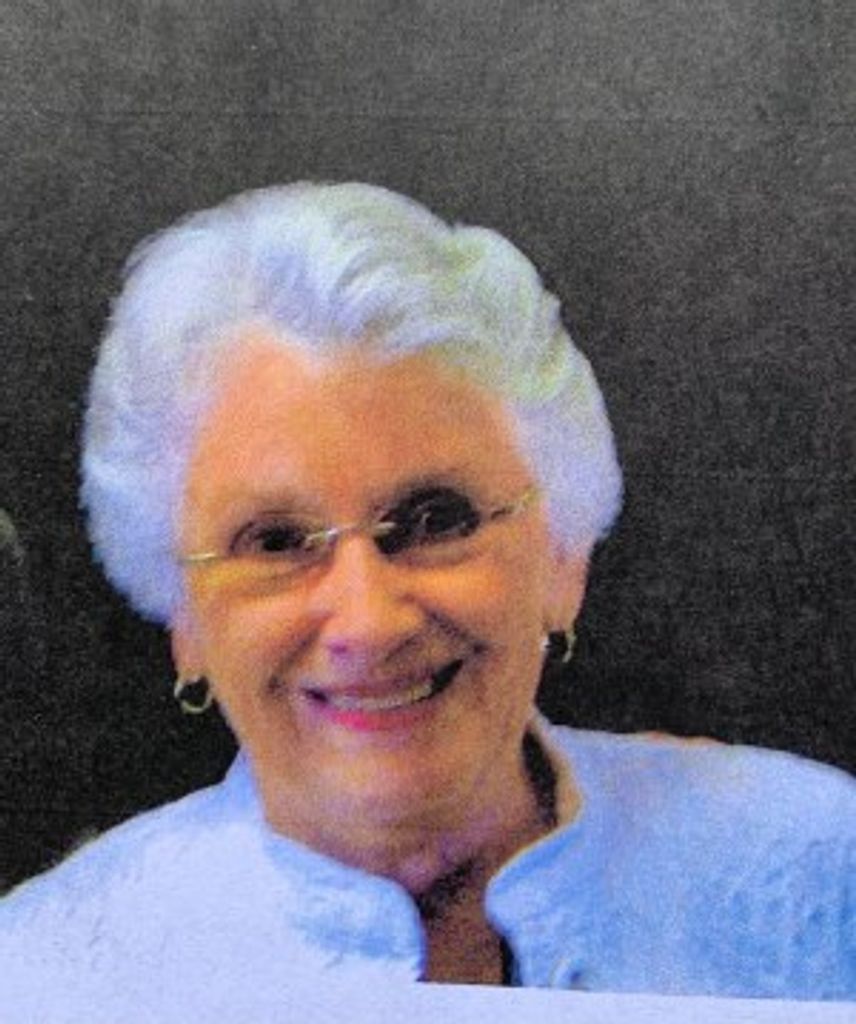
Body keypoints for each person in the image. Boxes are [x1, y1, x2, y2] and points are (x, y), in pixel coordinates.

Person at [1, 182, 853, 1017]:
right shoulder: (45, 979)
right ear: (184, 619)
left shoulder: (821, 868)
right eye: (276, 542)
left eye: (437, 519)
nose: (369, 623)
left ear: (563, 559)